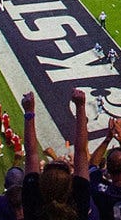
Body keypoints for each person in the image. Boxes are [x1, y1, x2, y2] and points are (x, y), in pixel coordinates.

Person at [20, 91, 91, 220]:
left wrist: (29, 112)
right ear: (70, 188)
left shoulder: (33, 203)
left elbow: (31, 154)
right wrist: (81, 107)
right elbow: (81, 151)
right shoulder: (78, 205)